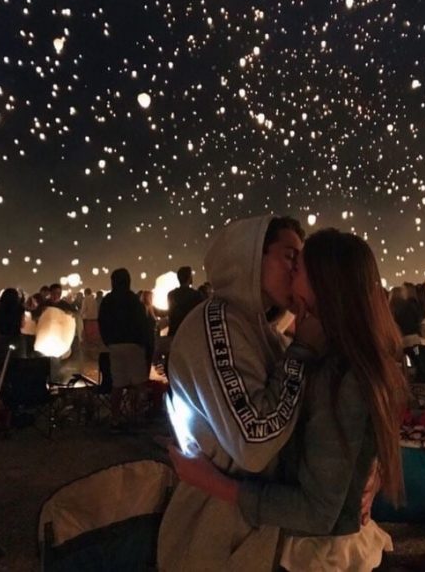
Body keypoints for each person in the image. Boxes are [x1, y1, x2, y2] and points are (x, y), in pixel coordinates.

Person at [169, 229, 407, 572]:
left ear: (325, 282)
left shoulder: (339, 374)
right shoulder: (318, 350)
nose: (292, 270)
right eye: (289, 258)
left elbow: (317, 511)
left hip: (318, 556)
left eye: (300, 265)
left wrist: (215, 484)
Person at [157, 215, 307, 571]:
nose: (298, 270)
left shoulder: (261, 330)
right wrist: (303, 349)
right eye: (289, 256)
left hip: (245, 527)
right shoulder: (218, 324)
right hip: (217, 533)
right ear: (251, 255)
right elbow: (254, 444)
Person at [98, 268, 150, 430]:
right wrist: (144, 342)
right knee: (140, 382)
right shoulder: (134, 300)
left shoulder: (108, 300)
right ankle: (137, 414)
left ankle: (115, 417)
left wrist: (108, 341)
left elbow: (102, 322)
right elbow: (143, 323)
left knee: (118, 383)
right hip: (134, 344)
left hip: (115, 345)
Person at [166, 266, 203, 340]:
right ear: (189, 278)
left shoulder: (171, 294)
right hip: (191, 332)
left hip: (175, 332)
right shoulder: (196, 295)